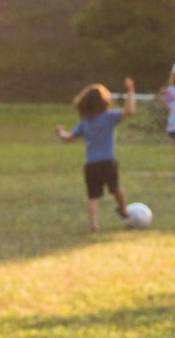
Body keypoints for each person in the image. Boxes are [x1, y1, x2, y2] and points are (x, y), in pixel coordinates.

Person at [57, 84, 133, 232]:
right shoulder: (109, 117)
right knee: (115, 189)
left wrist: (60, 132)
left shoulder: (84, 123)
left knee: (93, 196)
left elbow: (69, 138)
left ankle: (94, 226)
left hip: (90, 164)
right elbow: (129, 111)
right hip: (107, 161)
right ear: (104, 101)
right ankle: (123, 209)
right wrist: (130, 91)